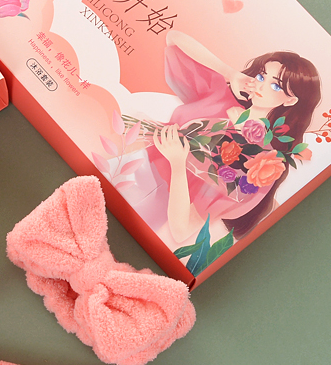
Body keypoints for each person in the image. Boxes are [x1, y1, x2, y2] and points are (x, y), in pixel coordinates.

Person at [130, 30, 321, 245]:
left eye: (275, 85)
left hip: (146, 202)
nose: (260, 85)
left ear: (290, 101)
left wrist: (177, 162)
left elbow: (181, 229)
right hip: (129, 158)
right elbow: (174, 39)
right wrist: (230, 73)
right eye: (261, 76)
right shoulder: (221, 97)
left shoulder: (261, 162)